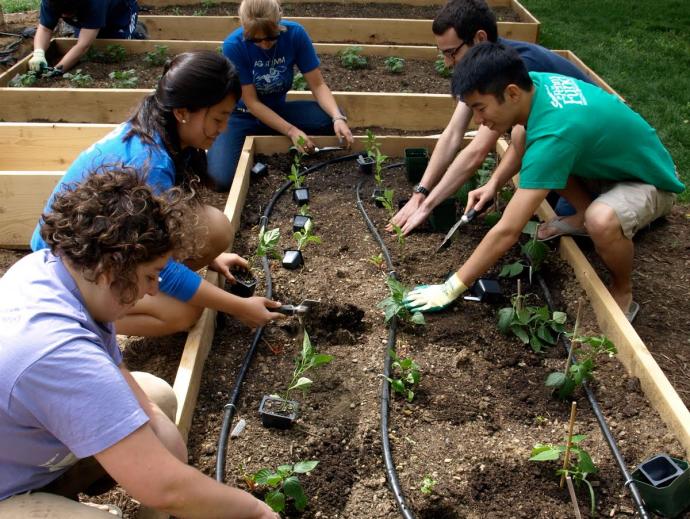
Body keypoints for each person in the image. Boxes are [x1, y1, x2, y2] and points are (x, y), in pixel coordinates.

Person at [0, 170, 279, 519]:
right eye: (150, 276)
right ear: (109, 270)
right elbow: (167, 489)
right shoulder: (55, 352)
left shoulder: (58, 272)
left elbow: (140, 403)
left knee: (157, 398)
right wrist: (256, 511)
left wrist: (167, 464)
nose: (152, 290)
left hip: (24, 456)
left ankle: (58, 495)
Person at [403, 42, 684, 322]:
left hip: (649, 180)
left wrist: (451, 287)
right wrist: (494, 183)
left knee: (602, 220)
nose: (478, 120)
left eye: (480, 108)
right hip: (609, 166)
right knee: (520, 136)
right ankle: (583, 213)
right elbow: (523, 145)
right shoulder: (534, 84)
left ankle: (623, 290)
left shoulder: (555, 132)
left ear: (511, 93)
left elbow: (507, 231)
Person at [30, 50, 285, 337]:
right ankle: (86, 317)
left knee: (214, 228)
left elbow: (158, 241)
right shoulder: (148, 163)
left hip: (107, 245)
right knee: (183, 312)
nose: (223, 129)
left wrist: (212, 261)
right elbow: (163, 268)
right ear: (182, 112)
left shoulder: (162, 131)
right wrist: (239, 306)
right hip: (67, 268)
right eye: (218, 118)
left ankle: (130, 291)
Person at [390, 0, 596, 236]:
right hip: (561, 145)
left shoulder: (513, 71)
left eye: (451, 53)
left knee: (579, 221)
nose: (447, 63)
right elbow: (453, 134)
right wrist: (421, 193)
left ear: (479, 38)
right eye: (442, 53)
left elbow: (477, 150)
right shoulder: (482, 66)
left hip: (593, 153)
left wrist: (427, 206)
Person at [207, 0, 355, 190]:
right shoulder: (234, 45)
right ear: (244, 29)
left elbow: (318, 85)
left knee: (329, 120)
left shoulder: (295, 35)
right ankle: (255, 134)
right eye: (256, 40)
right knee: (220, 180)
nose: (265, 44)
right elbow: (252, 102)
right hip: (241, 115)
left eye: (271, 36)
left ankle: (270, 129)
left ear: (279, 23)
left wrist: (337, 117)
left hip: (277, 110)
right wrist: (291, 131)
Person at [28, 0, 145, 74]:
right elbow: (45, 29)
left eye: (68, 14)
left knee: (117, 47)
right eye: (61, 14)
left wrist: (57, 70)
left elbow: (83, 46)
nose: (63, 16)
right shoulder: (51, 2)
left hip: (118, 12)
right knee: (89, 45)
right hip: (86, 13)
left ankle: (137, 33)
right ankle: (93, 26)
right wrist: (38, 53)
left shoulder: (96, 3)